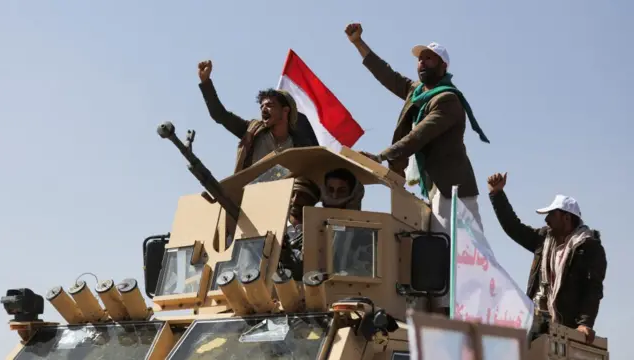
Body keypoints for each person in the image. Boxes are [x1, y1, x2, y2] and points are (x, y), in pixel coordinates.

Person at [343, 23, 490, 237]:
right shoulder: (417, 92)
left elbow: (418, 136)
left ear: (443, 66)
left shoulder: (447, 99)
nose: (422, 62)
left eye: (429, 58)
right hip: (436, 188)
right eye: (420, 59)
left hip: (454, 191)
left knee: (465, 256)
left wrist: (381, 156)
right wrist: (358, 42)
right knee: (440, 250)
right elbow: (386, 74)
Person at [487, 172, 607, 344]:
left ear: (566, 217)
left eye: (552, 214)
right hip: (539, 328)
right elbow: (515, 228)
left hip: (567, 331)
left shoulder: (589, 248)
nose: (546, 219)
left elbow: (593, 289)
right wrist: (497, 194)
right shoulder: (544, 240)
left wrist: (585, 324)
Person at [197, 59, 320, 226]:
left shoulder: (299, 145)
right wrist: (206, 83)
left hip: (283, 211)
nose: (263, 109)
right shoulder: (252, 132)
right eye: (262, 106)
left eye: (270, 105)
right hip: (248, 204)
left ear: (285, 111)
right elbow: (220, 115)